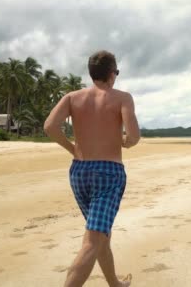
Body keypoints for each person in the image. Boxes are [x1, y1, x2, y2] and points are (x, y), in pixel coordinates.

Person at [44, 50, 140, 287]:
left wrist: (72, 148)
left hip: (79, 172)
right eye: (116, 72)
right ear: (111, 73)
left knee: (99, 235)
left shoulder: (72, 97)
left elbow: (50, 127)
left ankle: (115, 284)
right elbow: (134, 136)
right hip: (108, 174)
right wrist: (126, 141)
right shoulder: (122, 98)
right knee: (92, 240)